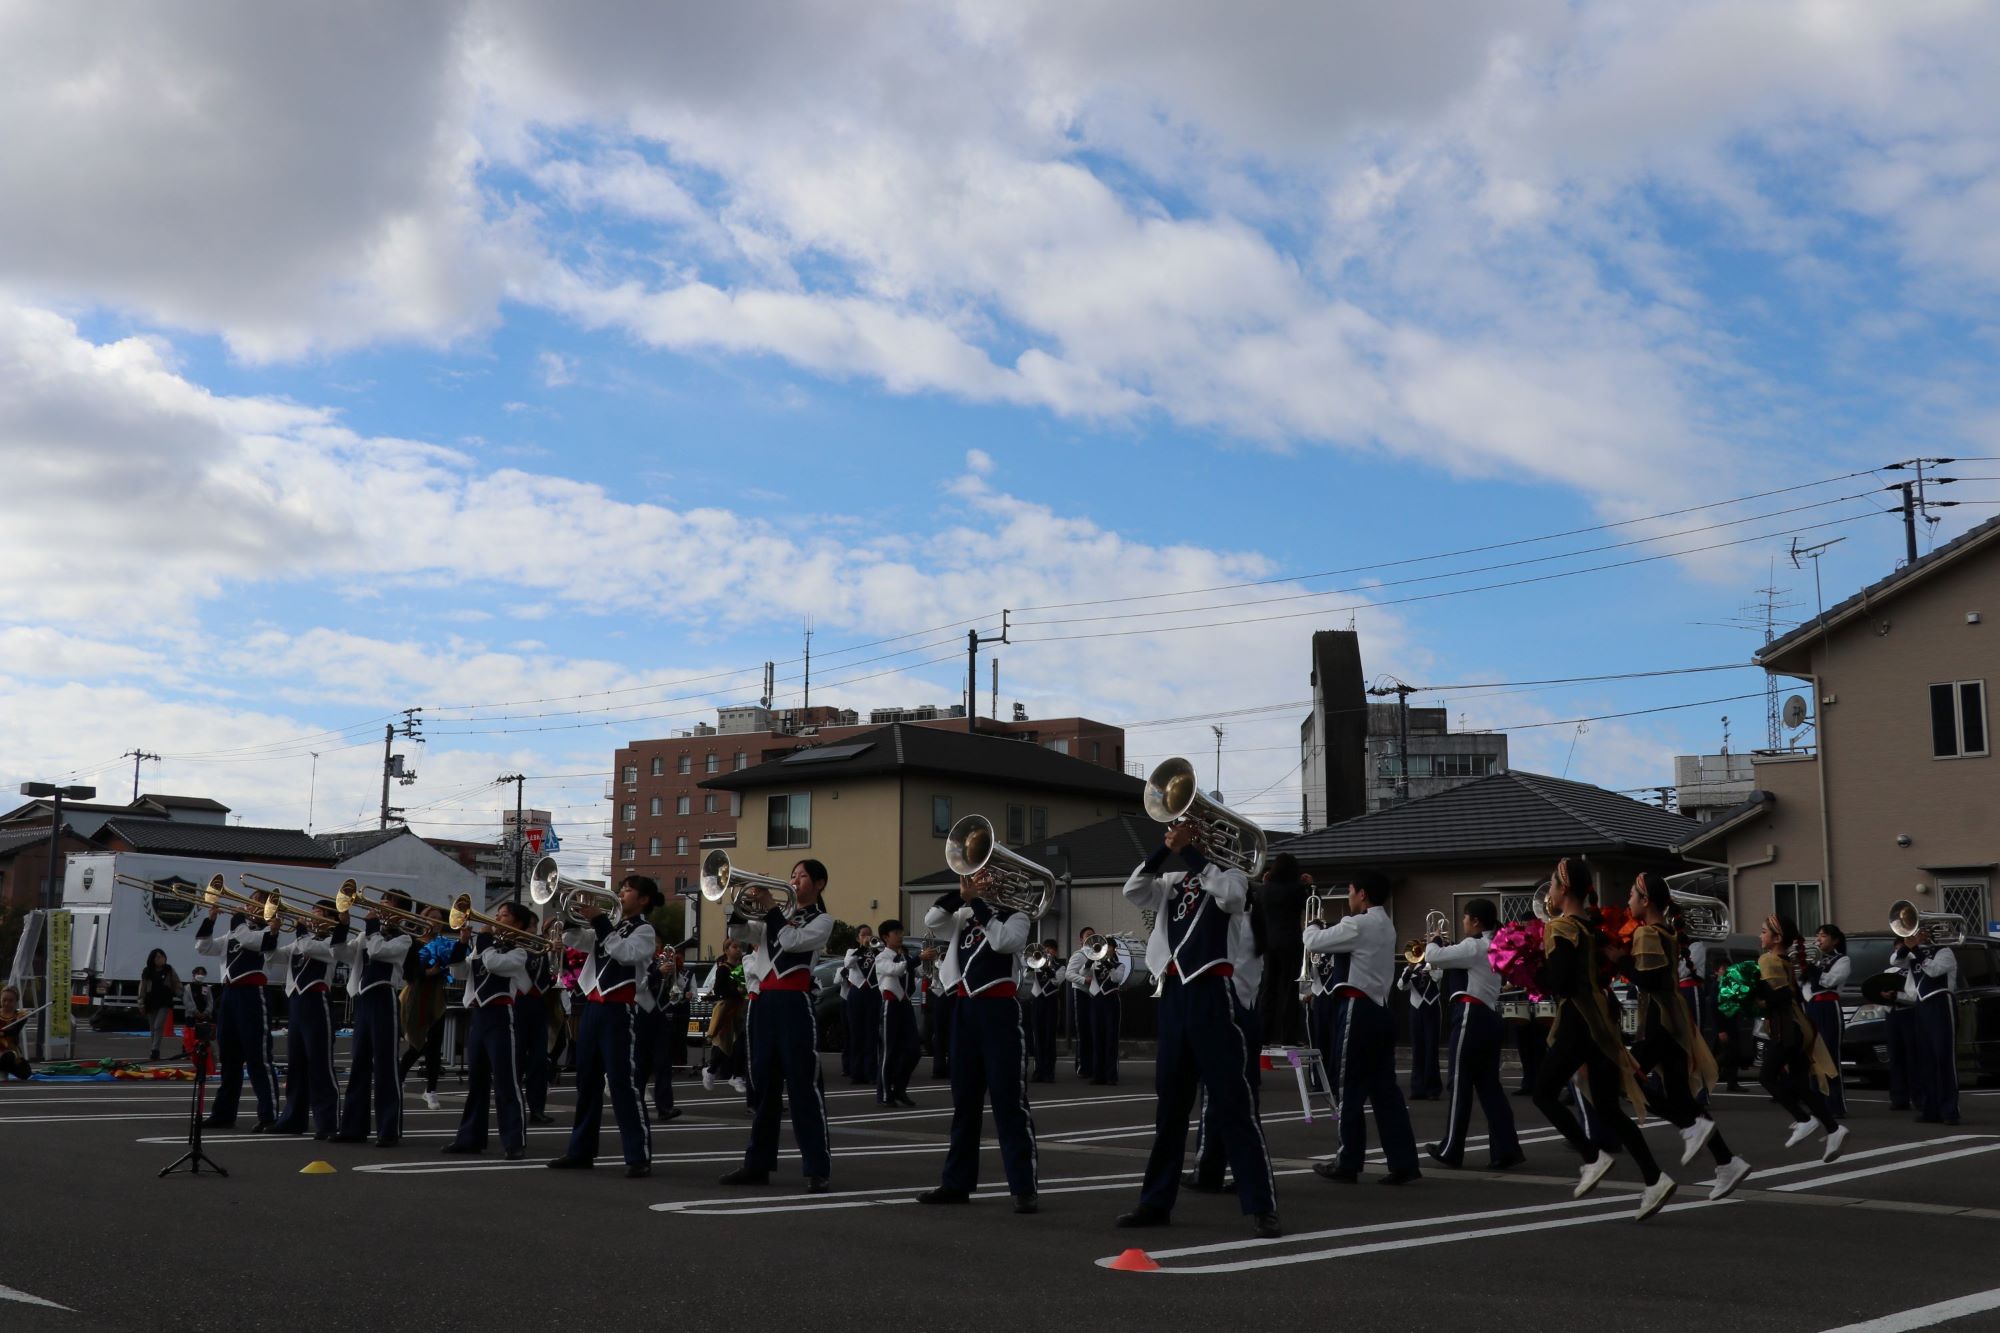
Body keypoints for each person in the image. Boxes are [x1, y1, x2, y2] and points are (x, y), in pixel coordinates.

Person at [1116, 822, 1279, 1239]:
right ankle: (1155, 1201)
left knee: (1233, 1103)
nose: (1196, 843)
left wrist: (1193, 853)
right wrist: (1162, 850)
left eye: (1203, 837)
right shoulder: (1170, 881)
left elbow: (1232, 898)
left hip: (1212, 993)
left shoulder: (1232, 878)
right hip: (1174, 994)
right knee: (1170, 1108)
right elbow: (1133, 890)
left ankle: (1261, 1205)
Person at [1531, 858, 1676, 1220]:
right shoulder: (1588, 925)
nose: (1548, 890)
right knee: (1609, 1106)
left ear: (1564, 890)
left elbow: (1562, 982)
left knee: (1543, 1092)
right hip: (1601, 1017)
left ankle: (1592, 1157)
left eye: (1551, 883)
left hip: (1579, 1020)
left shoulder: (1562, 927)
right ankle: (1654, 1177)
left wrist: (1534, 972)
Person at [1624, 874, 1752, 1201]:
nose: (1628, 901)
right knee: (1680, 1095)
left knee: (1624, 1076)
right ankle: (1727, 1161)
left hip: (1660, 1021)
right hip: (1674, 1019)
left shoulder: (1649, 932)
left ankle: (1688, 1127)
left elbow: (1649, 979)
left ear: (1646, 900)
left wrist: (1617, 959)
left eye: (1632, 895)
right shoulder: (1665, 931)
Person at [917, 872, 1039, 1212]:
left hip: (999, 1011)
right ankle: (956, 1183)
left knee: (1008, 1100)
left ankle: (1023, 1186)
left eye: (991, 878)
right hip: (964, 1009)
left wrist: (979, 902)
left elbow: (1003, 943)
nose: (988, 884)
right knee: (964, 1103)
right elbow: (932, 919)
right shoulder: (963, 915)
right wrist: (962, 895)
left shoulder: (1018, 917)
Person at [718, 860, 834, 1192]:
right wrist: (744, 899)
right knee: (764, 1089)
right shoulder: (775, 915)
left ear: (819, 884)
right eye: (793, 875)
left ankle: (817, 1167)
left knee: (803, 1087)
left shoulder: (823, 920)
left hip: (795, 1003)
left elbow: (794, 941)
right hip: (764, 1004)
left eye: (802, 876)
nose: (795, 880)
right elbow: (738, 934)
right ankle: (757, 1164)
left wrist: (770, 907)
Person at [1303, 871, 1418, 1189]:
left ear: (1363, 894)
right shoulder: (1386, 923)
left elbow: (1312, 942)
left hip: (1357, 1009)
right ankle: (1404, 1162)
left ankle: (1348, 1161)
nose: (1350, 897)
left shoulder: (1359, 924)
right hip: (1381, 1009)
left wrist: (1314, 922)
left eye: (1351, 891)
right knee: (1385, 1091)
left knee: (1349, 1086)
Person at [546, 876, 661, 1178]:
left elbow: (625, 953)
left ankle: (638, 1154)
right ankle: (580, 1150)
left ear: (644, 899)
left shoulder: (644, 930)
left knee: (623, 1083)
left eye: (628, 890)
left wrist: (599, 921)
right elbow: (574, 941)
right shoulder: (607, 925)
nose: (621, 893)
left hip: (619, 1009)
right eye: (621, 889)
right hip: (594, 1009)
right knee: (586, 1082)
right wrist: (571, 912)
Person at [1421, 898, 1524, 1171]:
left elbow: (1432, 957)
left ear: (1476, 921)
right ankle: (1506, 1149)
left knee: (1459, 1083)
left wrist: (1435, 940)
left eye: (1465, 918)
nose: (1463, 923)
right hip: (1490, 1017)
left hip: (1470, 1014)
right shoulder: (1495, 944)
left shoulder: (1474, 946)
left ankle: (1451, 1148)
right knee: (1490, 1087)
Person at [1187, 878, 1266, 1195]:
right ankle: (1246, 1169)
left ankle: (1208, 1169)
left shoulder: (1234, 925)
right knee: (1245, 1098)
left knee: (1213, 1094)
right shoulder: (1258, 925)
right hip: (1250, 1011)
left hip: (1228, 1010)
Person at [441, 903, 532, 1160]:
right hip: (479, 1016)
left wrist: (483, 942)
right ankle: (470, 1137)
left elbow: (494, 965)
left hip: (501, 1016)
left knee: (505, 1081)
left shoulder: (520, 951)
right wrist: (462, 945)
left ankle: (514, 1141)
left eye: (504, 916)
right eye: (498, 915)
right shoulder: (485, 945)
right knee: (476, 1082)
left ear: (517, 925)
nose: (496, 919)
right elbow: (459, 973)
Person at [1755, 914, 1847, 1159]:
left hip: (1787, 1028)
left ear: (1777, 938)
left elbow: (1780, 997)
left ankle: (1803, 1119)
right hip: (1799, 1026)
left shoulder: (1768, 959)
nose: (1760, 935)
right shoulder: (1783, 959)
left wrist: (1748, 994)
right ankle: (1833, 1128)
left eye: (1764, 931)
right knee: (1800, 1084)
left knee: (1766, 1076)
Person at [194, 888, 280, 1131]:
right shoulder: (235, 931)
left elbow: (250, 942)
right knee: (229, 1059)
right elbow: (203, 947)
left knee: (258, 1058)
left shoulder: (268, 931)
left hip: (253, 994)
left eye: (255, 902)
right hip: (230, 995)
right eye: (249, 901)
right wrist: (210, 920)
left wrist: (238, 918)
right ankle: (223, 1113)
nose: (249, 905)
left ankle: (269, 1115)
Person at [334, 889, 415, 1146]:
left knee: (385, 1065)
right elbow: (340, 954)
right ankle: (353, 1128)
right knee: (359, 1064)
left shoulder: (404, 939)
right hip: (363, 1000)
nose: (380, 906)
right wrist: (342, 926)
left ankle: (388, 1129)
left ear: (399, 911)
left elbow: (379, 951)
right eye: (381, 901)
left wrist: (371, 926)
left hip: (383, 998)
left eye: (387, 902)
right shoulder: (366, 934)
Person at [272, 901, 343, 1139]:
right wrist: (271, 932)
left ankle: (328, 1121)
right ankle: (293, 1118)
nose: (311, 917)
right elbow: (274, 956)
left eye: (318, 913)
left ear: (330, 919)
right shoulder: (301, 941)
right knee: (296, 1065)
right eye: (311, 913)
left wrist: (301, 930)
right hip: (297, 1003)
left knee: (320, 1064)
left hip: (317, 1001)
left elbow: (314, 949)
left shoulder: (333, 941)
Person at [1895, 923, 1960, 1126]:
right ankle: (1931, 1110)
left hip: (1941, 1002)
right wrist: (1907, 946)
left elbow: (1934, 971)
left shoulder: (1945, 951)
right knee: (1926, 1059)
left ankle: (1950, 1110)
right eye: (1915, 931)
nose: (1917, 935)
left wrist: (1915, 949)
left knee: (1943, 1057)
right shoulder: (1915, 953)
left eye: (1921, 931)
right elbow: (1895, 960)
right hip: (1922, 1005)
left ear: (1930, 934)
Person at [1253, 855, 1312, 1047]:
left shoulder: (1264, 891)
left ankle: (1263, 1035)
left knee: (1268, 990)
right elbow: (1312, 902)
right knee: (1289, 989)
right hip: (1292, 943)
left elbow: (1257, 913)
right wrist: (1310, 885)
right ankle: (1289, 1037)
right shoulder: (1297, 890)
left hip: (1269, 943)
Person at [397, 905, 451, 1112]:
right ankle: (400, 1077)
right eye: (432, 918)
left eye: (439, 919)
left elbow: (454, 964)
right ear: (422, 920)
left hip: (436, 995)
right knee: (417, 1043)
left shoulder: (443, 943)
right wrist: (426, 972)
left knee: (435, 1043)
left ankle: (431, 1089)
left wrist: (462, 942)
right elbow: (407, 971)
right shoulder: (412, 942)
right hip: (416, 994)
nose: (436, 922)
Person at [639, 942, 687, 1125]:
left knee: (663, 1063)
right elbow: (639, 987)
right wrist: (659, 973)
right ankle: (637, 1103)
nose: (656, 948)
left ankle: (665, 1107)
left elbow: (679, 987)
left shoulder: (662, 964)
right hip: (643, 1015)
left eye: (657, 944)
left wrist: (673, 972)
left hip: (661, 1018)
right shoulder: (640, 965)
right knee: (642, 1065)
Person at [1806, 924, 1850, 1118]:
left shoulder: (1843, 959)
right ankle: (1817, 1104)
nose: (1819, 940)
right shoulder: (1814, 960)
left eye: (1823, 936)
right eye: (1817, 936)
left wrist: (1812, 969)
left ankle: (1835, 1105)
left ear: (1835, 940)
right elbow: (1804, 985)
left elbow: (1829, 981)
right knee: (1813, 1056)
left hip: (1829, 1006)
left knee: (1830, 1055)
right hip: (1813, 1006)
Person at [517, 908, 556, 1125]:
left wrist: (553, 951)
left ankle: (537, 1108)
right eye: (530, 925)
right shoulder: (513, 946)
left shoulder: (542, 946)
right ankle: (514, 1107)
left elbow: (552, 974)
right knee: (516, 1060)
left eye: (535, 925)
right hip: (517, 1004)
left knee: (538, 1061)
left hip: (538, 1005)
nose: (534, 930)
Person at [875, 921, 919, 1107]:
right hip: (890, 1004)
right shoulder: (882, 957)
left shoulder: (903, 956)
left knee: (914, 1050)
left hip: (905, 1005)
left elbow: (915, 974)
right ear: (886, 937)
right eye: (896, 932)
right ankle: (885, 1094)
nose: (900, 935)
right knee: (889, 1051)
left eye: (901, 932)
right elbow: (895, 970)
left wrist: (926, 963)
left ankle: (900, 1087)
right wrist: (916, 959)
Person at [1398, 945, 1444, 1100]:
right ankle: (1417, 1089)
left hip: (1432, 1009)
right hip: (1416, 1009)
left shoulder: (1435, 966)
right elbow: (1401, 986)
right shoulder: (1409, 969)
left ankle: (1433, 1089)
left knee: (1431, 1048)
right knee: (1417, 1048)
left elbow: (1438, 977)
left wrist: (1428, 966)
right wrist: (1411, 970)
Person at [703, 938, 749, 1093]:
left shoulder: (741, 967)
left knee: (739, 1041)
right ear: (726, 950)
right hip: (726, 1008)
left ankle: (736, 1075)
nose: (738, 949)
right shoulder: (723, 968)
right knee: (723, 1043)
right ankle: (711, 1070)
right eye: (734, 947)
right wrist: (737, 991)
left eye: (740, 947)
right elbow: (719, 989)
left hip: (739, 1008)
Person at [1084, 930, 1129, 1086]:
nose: (1106, 949)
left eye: (1109, 946)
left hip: (1111, 1001)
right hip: (1096, 1001)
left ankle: (1111, 1075)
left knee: (1111, 1038)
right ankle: (1098, 1075)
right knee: (1097, 1038)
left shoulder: (1120, 965)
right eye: (1105, 946)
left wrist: (1108, 964)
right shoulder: (1095, 963)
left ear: (1114, 949)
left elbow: (1117, 978)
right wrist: (1089, 961)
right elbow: (1082, 973)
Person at [841, 925, 881, 1087]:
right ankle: (856, 1073)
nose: (867, 937)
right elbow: (848, 964)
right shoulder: (852, 952)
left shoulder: (877, 952)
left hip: (873, 992)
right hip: (856, 992)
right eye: (863, 935)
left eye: (869, 934)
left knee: (871, 1033)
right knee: (856, 1033)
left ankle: (871, 1072)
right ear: (858, 938)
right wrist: (861, 948)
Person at [1025, 938, 1063, 1083]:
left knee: (1049, 1037)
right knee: (1037, 1037)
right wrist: (1032, 966)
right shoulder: (1036, 964)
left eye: (1051, 949)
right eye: (1046, 948)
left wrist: (1047, 968)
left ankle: (1049, 1071)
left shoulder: (1060, 967)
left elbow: (1056, 982)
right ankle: (1038, 1070)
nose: (1048, 951)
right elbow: (1027, 977)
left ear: (1055, 952)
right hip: (1036, 1001)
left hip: (1051, 1002)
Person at [1065, 927, 1098, 1078]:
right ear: (1081, 940)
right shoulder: (1079, 955)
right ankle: (1082, 1066)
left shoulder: (1098, 954)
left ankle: (1093, 1065)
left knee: (1093, 1030)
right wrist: (1085, 980)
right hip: (1080, 993)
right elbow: (1068, 974)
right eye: (1088, 935)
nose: (1091, 937)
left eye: (1093, 935)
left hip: (1093, 994)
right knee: (1083, 1031)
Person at [140, 948, 180, 1062]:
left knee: (158, 1025)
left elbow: (176, 984)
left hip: (165, 1002)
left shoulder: (168, 970)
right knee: (153, 1028)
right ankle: (154, 1050)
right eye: (157, 957)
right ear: (152, 959)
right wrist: (141, 1002)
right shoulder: (147, 971)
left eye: (162, 956)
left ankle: (155, 1050)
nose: (160, 959)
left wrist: (183, 996)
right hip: (150, 1001)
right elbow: (142, 988)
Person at [0, 985, 33, 1081]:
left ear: (16, 1001)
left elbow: (14, 1031)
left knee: (25, 1073)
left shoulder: (20, 1016)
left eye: (11, 1000)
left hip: (11, 1050)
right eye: (4, 1000)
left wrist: (2, 1033)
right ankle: (2, 1072)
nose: (6, 1003)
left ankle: (4, 1068)